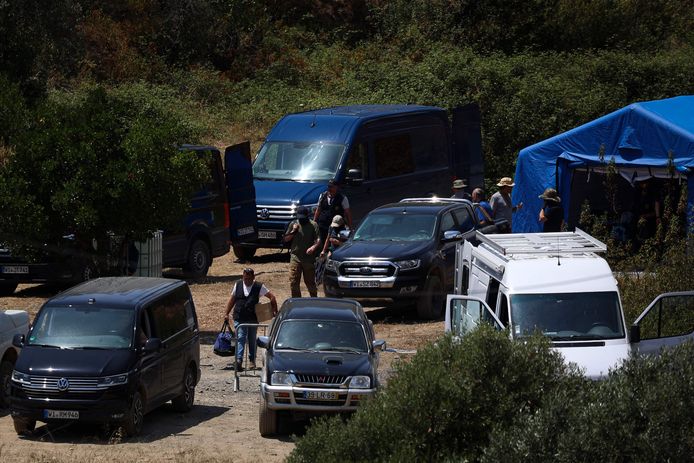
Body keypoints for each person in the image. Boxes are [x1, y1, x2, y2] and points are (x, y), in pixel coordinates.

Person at [224, 268, 278, 371]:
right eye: (245, 278)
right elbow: (232, 300)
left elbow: (272, 297)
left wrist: (274, 311)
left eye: (249, 279)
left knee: (252, 339)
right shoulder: (238, 285)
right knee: (241, 337)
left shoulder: (259, 286)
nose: (247, 281)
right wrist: (226, 313)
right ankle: (239, 360)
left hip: (252, 318)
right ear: (242, 277)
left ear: (253, 278)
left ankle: (252, 360)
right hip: (239, 317)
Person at [284, 205, 321, 297]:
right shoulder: (293, 224)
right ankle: (297, 301)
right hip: (295, 257)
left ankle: (313, 300)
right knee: (293, 281)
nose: (301, 220)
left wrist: (313, 247)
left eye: (303, 218)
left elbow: (318, 240)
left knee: (310, 282)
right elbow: (286, 239)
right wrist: (293, 231)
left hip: (308, 259)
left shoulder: (313, 225)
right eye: (299, 218)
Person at [314, 179, 352, 244]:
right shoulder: (322, 196)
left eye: (332, 187)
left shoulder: (342, 198)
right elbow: (318, 209)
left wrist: (350, 227)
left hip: (336, 227)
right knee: (322, 242)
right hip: (323, 225)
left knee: (333, 244)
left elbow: (347, 213)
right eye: (329, 186)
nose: (330, 188)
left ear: (337, 187)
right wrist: (314, 222)